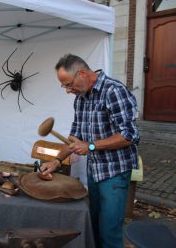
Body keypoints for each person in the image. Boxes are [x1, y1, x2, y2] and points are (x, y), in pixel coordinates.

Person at [41, 54, 139, 248]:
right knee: (92, 225)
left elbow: (129, 135)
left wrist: (91, 146)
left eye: (68, 84)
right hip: (94, 171)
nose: (68, 91)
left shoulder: (113, 91)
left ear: (82, 74)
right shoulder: (81, 99)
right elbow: (74, 139)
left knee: (109, 232)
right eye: (64, 86)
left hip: (114, 172)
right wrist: (57, 161)